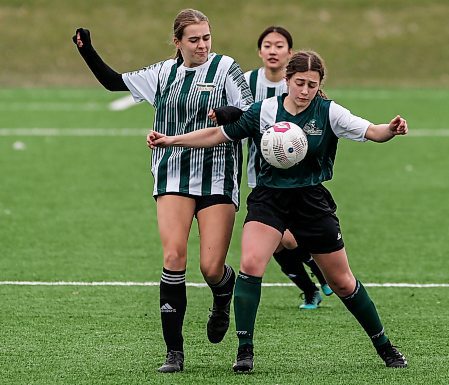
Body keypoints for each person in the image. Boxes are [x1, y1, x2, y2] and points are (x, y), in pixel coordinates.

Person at [146, 50, 409, 372]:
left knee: (341, 281)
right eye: (299, 83)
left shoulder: (329, 112)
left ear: (319, 85)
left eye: (312, 85)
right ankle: (244, 351)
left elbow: (372, 131)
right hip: (269, 199)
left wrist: (391, 130)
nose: (304, 90)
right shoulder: (264, 110)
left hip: (311, 201)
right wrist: (173, 140)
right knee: (251, 263)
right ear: (287, 80)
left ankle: (384, 345)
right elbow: (219, 134)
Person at [72, 8, 253, 373]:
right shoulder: (162, 73)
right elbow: (113, 82)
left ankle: (222, 291)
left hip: (218, 176)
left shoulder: (225, 68)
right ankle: (175, 352)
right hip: (172, 176)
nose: (202, 45)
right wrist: (86, 50)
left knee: (210, 266)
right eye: (194, 39)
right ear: (177, 42)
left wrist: (227, 112)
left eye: (206, 37)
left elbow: (252, 112)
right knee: (173, 257)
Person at [245, 26, 333, 309]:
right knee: (281, 243)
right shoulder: (247, 82)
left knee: (289, 239)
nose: (273, 50)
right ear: (259, 51)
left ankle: (320, 276)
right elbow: (237, 116)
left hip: (298, 178)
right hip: (260, 173)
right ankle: (312, 287)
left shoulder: (304, 87)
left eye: (279, 45)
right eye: (267, 45)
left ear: (289, 53)